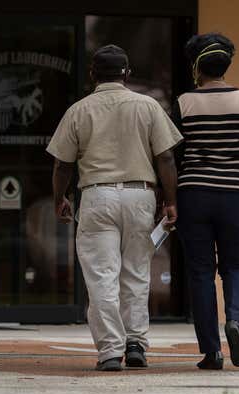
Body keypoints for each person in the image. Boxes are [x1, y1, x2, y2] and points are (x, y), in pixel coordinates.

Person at [47, 45, 182, 371]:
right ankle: (136, 343)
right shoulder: (148, 106)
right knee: (136, 274)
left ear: (93, 74)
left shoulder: (79, 110)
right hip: (140, 195)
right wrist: (171, 200)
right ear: (128, 73)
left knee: (101, 277)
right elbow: (165, 158)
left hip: (96, 196)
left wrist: (59, 198)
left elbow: (62, 164)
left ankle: (110, 350)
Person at [172, 33, 239, 370]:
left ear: (197, 66)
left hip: (194, 195)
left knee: (201, 272)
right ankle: (235, 322)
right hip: (237, 196)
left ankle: (212, 352)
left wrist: (168, 201)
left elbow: (174, 158)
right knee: (235, 266)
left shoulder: (184, 102)